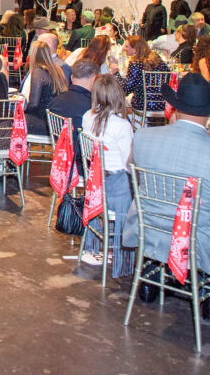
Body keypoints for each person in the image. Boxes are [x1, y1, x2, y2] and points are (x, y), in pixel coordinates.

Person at [123, 73, 210, 321]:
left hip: (150, 230)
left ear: (176, 106)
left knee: (165, 211)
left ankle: (150, 281)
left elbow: (133, 174)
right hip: (200, 241)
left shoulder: (142, 138)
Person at [79, 74, 135, 276]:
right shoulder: (122, 126)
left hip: (95, 183)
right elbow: (129, 162)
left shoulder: (87, 117)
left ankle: (95, 244)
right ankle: (124, 249)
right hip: (116, 187)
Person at [48, 60, 99, 158]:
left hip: (61, 155)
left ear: (71, 78)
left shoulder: (55, 101)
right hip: (84, 159)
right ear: (94, 79)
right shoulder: (92, 107)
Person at [111, 35, 169, 113]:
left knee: (119, 104)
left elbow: (126, 89)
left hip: (142, 104)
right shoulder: (157, 59)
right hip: (163, 104)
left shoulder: (135, 64)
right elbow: (169, 75)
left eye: (126, 46)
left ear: (135, 48)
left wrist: (116, 73)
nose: (124, 49)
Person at [21, 39, 69, 135]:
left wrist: (24, 111)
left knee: (14, 120)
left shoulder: (38, 71)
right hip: (59, 121)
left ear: (33, 54)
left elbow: (34, 104)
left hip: (44, 122)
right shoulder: (58, 69)